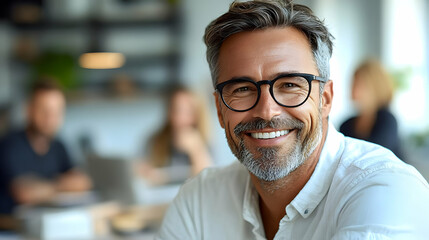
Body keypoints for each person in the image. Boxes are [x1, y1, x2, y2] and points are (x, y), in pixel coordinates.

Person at [156, 1, 429, 239]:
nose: (267, 111)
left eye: (289, 85)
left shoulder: (386, 190)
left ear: (325, 99)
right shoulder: (199, 200)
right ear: (218, 108)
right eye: (242, 89)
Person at [0, 80, 92, 218]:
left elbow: (83, 182)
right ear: (29, 109)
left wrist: (45, 187)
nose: (50, 118)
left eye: (56, 112)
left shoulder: (59, 145)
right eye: (44, 110)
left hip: (50, 221)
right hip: (12, 229)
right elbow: (24, 193)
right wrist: (62, 184)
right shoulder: (10, 145)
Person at [140, 86, 212, 185]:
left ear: (197, 114)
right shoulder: (155, 141)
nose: (180, 118)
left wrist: (196, 151)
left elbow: (208, 179)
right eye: (176, 110)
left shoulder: (205, 142)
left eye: (188, 112)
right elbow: (142, 171)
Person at [340, 59, 402, 158]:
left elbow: (378, 155)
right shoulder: (346, 124)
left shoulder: (387, 120)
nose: (353, 88)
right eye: (353, 83)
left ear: (375, 87)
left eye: (359, 84)